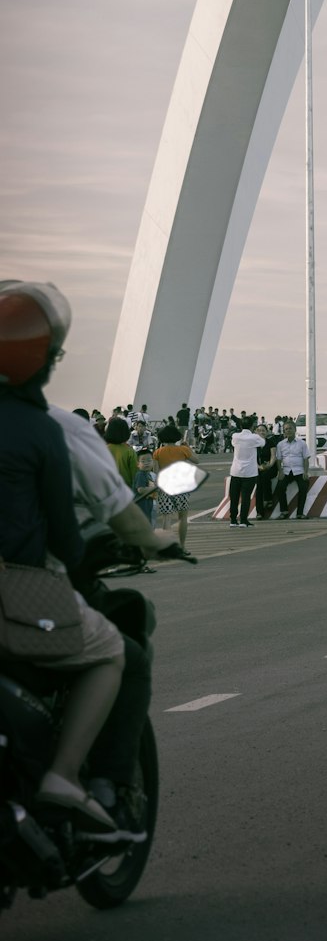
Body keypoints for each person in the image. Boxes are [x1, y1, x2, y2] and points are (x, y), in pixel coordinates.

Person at [0, 281, 124, 832]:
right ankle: (64, 775)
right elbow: (66, 540)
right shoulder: (39, 429)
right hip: (17, 590)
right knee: (110, 650)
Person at [154, 423, 196, 546]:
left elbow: (155, 472)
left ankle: (167, 546)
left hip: (165, 487)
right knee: (182, 517)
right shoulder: (183, 450)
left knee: (167, 517)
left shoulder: (158, 452)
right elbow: (196, 460)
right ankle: (182, 546)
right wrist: (189, 448)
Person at [273, 420, 310, 520]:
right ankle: (284, 511)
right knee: (280, 488)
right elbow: (279, 459)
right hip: (286, 471)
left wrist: (306, 472)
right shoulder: (280, 444)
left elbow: (306, 459)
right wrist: (280, 472)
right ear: (284, 431)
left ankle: (300, 513)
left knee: (303, 487)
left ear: (295, 430)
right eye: (286, 429)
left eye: (290, 428)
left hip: (299, 471)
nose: (288, 431)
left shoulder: (302, 443)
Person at [104, 415, 138, 492]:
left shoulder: (103, 449)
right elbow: (135, 474)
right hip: (124, 490)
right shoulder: (129, 451)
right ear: (126, 432)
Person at [132, 449, 157, 526]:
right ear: (138, 464)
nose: (146, 463)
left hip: (146, 505)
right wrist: (156, 488)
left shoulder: (148, 474)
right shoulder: (141, 474)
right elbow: (141, 489)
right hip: (141, 505)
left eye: (149, 461)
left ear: (153, 462)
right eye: (143, 461)